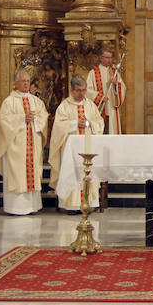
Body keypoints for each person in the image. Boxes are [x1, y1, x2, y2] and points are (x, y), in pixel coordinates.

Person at [48, 76, 104, 213]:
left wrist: (90, 123)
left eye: (84, 90)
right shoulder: (64, 106)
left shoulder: (90, 105)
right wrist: (74, 124)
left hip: (88, 147)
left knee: (89, 173)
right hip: (70, 150)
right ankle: (71, 205)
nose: (82, 94)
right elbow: (58, 128)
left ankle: (89, 203)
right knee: (72, 173)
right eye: (78, 90)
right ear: (72, 90)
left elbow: (100, 123)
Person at [0, 70, 49, 215]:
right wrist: (21, 119)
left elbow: (44, 118)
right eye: (23, 81)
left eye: (27, 81)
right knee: (17, 174)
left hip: (32, 146)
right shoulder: (9, 101)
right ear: (16, 83)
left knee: (32, 173)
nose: (26, 83)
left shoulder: (36, 101)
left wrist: (36, 120)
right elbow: (3, 121)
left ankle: (32, 207)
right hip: (16, 148)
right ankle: (15, 208)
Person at [86, 48, 126, 135]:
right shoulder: (93, 73)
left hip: (111, 108)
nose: (110, 60)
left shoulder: (115, 73)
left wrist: (116, 86)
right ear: (101, 58)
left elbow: (122, 88)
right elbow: (87, 90)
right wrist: (100, 97)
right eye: (107, 57)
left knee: (111, 131)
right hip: (99, 108)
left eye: (111, 58)